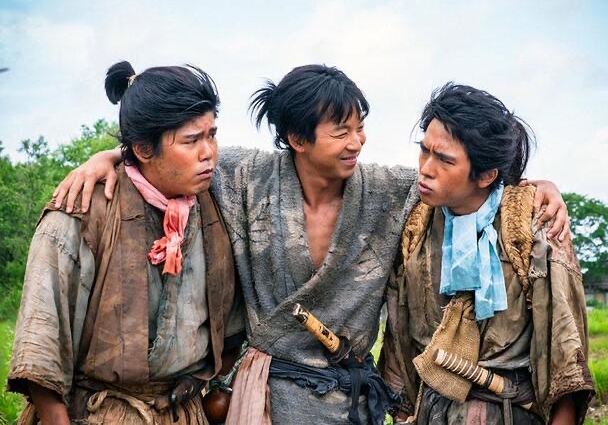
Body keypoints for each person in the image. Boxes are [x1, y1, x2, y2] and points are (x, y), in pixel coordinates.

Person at [52, 65, 570, 424]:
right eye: (341, 131)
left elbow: (468, 181)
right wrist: (111, 157)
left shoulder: (392, 191)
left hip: (351, 401)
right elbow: (170, 152)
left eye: (361, 128)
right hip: (265, 396)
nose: (357, 142)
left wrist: (536, 187)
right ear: (298, 139)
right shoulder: (244, 177)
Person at [8, 61, 243, 424]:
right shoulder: (82, 212)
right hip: (96, 414)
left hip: (182, 414)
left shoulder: (216, 205)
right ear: (144, 149)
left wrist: (198, 381)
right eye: (191, 140)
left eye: (212, 135)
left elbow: (229, 334)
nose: (209, 152)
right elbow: (42, 351)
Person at [379, 83, 594, 424]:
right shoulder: (415, 225)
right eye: (424, 151)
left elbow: (566, 356)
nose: (426, 168)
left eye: (444, 160)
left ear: (486, 175)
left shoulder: (534, 225)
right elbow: (399, 340)